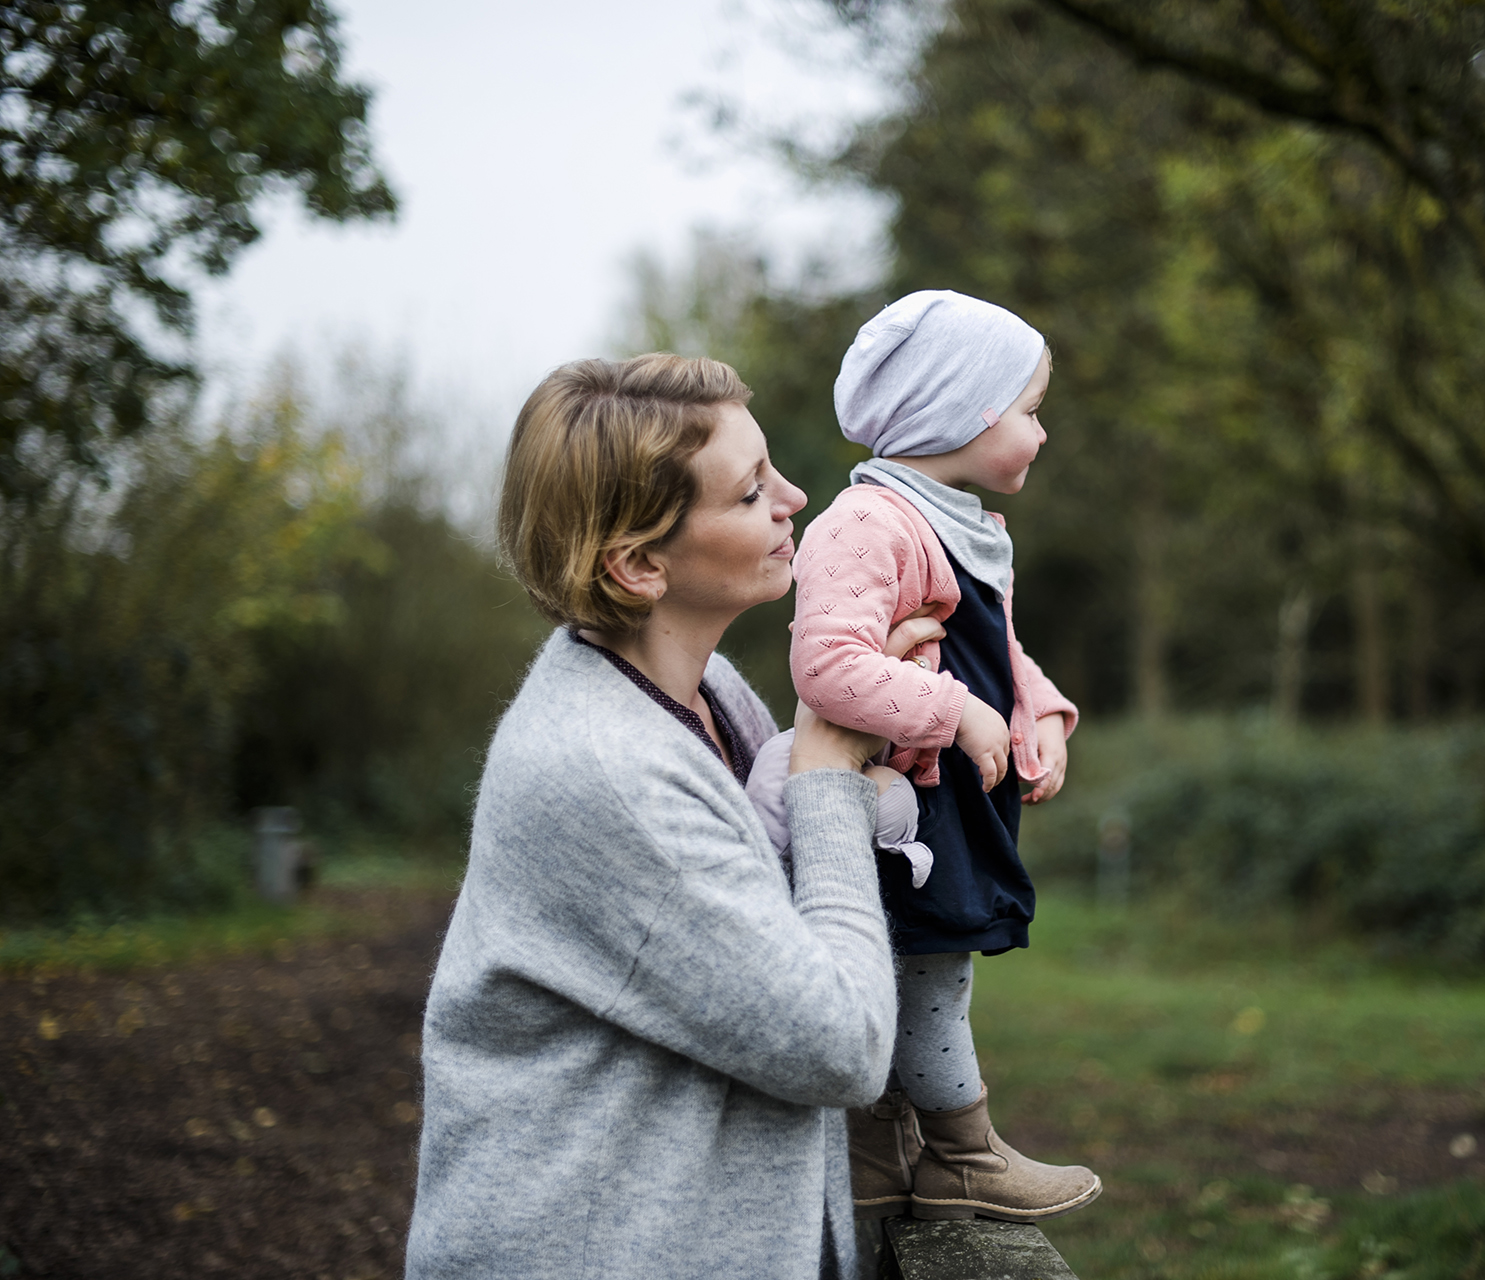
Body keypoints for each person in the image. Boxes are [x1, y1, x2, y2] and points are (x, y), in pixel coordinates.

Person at [406, 354, 939, 1280]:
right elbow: (839, 1043)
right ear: (640, 563)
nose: (796, 498)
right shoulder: (606, 768)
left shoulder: (707, 693)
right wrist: (825, 780)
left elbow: (770, 933)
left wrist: (868, 723)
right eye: (749, 493)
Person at [785, 289, 1101, 1224]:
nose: (1042, 434)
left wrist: (1039, 711)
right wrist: (958, 713)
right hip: (898, 807)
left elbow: (995, 649)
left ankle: (877, 1158)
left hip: (954, 799)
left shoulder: (964, 524)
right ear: (961, 411)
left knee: (917, 964)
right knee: (928, 974)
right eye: (1030, 410)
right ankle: (964, 1154)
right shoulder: (869, 523)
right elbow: (828, 664)